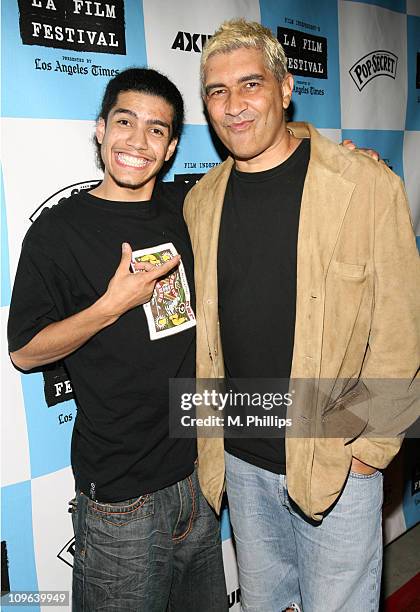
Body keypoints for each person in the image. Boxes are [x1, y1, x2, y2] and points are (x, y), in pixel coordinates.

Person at [183, 19, 420, 612]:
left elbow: (401, 331)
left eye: (250, 84)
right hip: (239, 457)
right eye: (217, 91)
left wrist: (370, 450)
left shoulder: (364, 185)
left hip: (334, 454)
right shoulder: (200, 200)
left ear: (285, 87)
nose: (234, 106)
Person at [8, 68, 228, 612]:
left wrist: (338, 156)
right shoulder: (58, 231)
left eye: (157, 129)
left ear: (173, 144)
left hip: (198, 482)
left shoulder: (190, 207)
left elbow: (270, 169)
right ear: (101, 129)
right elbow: (24, 351)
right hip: (120, 499)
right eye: (125, 122)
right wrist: (110, 306)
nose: (138, 141)